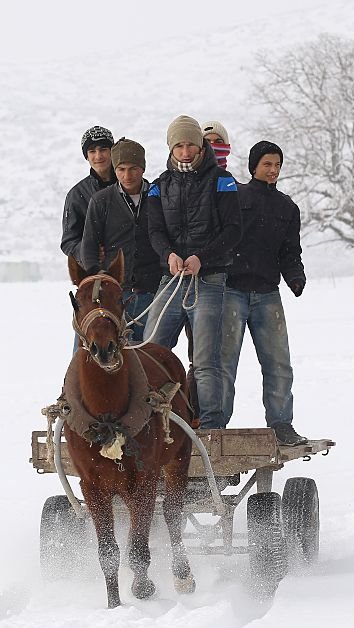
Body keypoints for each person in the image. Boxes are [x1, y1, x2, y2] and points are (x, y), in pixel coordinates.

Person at [144, 115, 242, 429]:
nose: (185, 151)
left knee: (204, 359)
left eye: (190, 145)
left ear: (200, 146)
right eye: (179, 145)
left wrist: (203, 257)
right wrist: (168, 254)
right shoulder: (160, 185)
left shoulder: (221, 181)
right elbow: (155, 230)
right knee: (150, 350)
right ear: (171, 148)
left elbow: (232, 230)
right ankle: (151, 419)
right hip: (172, 280)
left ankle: (212, 426)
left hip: (209, 279)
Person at [222, 141, 307, 446]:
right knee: (224, 363)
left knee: (278, 363)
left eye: (277, 165)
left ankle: (282, 424)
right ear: (254, 166)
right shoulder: (236, 197)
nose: (273, 170)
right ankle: (216, 426)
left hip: (268, 294)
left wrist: (295, 277)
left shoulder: (287, 207)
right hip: (232, 291)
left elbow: (290, 252)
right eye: (267, 164)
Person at [78, 138, 162, 342]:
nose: (127, 175)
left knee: (150, 350)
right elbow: (88, 247)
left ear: (142, 168)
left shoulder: (158, 196)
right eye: (121, 169)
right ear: (114, 169)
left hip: (154, 290)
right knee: (112, 351)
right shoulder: (101, 200)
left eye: (133, 168)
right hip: (115, 293)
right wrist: (99, 280)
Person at [61, 126, 117, 262]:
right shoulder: (76, 195)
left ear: (113, 152)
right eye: (92, 151)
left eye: (103, 149)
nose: (98, 156)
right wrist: (88, 252)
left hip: (136, 271)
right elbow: (69, 242)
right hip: (95, 272)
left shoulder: (130, 185)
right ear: (86, 156)